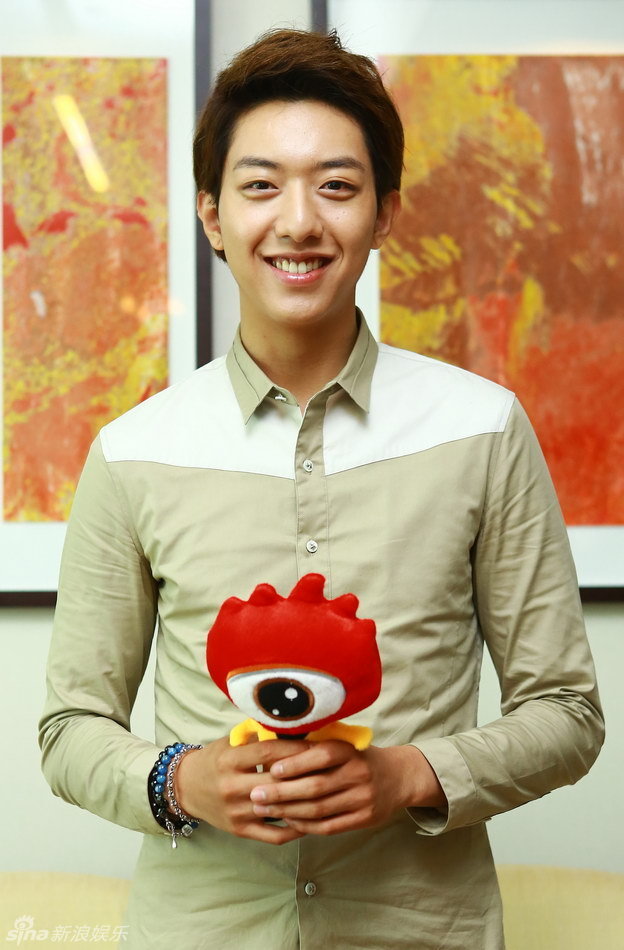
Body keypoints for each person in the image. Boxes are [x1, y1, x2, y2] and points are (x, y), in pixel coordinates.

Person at [39, 28, 604, 950]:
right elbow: (70, 728)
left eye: (336, 186)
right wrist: (181, 780)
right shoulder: (133, 451)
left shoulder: (484, 429)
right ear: (213, 216)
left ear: (384, 214)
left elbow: (568, 713)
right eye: (261, 186)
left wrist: (412, 774)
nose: (298, 222)